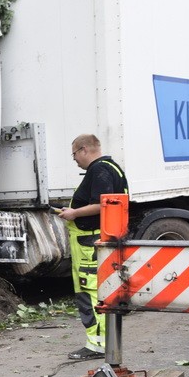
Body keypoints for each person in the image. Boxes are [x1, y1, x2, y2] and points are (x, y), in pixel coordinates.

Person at [57, 134, 128, 360]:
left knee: (89, 292)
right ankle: (102, 342)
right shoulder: (112, 167)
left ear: (84, 149)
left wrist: (74, 213)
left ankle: (96, 345)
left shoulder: (99, 170)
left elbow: (101, 204)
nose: (75, 160)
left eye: (74, 154)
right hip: (98, 237)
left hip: (88, 241)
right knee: (101, 290)